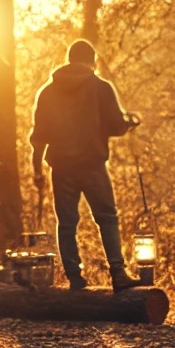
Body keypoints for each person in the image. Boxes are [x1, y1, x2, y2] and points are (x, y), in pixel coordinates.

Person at [30, 39, 141, 292]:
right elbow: (115, 125)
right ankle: (118, 274)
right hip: (92, 165)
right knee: (107, 218)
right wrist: (129, 122)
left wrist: (37, 170)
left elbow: (38, 137)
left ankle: (74, 278)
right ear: (92, 61)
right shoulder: (101, 87)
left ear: (69, 59)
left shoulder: (47, 91)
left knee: (67, 223)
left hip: (61, 167)